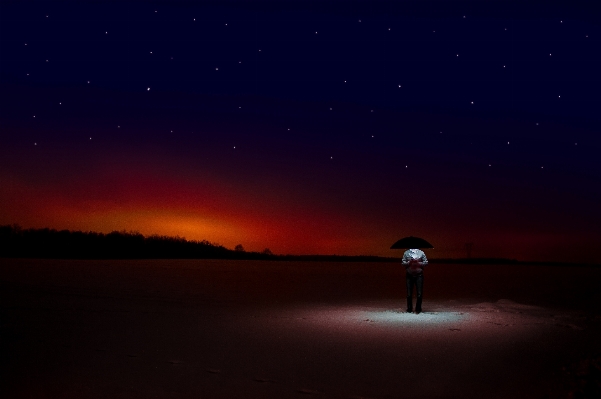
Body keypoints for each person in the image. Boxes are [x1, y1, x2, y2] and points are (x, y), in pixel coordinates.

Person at [402, 248, 428, 313]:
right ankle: (409, 309)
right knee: (409, 293)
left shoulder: (421, 252)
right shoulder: (406, 253)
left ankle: (418, 309)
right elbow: (403, 263)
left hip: (419, 275)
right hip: (409, 275)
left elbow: (426, 262)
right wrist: (409, 262)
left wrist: (419, 263)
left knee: (419, 293)